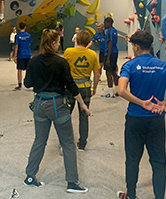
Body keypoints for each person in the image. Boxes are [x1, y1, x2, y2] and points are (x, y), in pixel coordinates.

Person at [116, 30, 166, 199]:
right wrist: (163, 103)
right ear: (151, 46)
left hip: (135, 119)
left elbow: (121, 90)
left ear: (135, 47)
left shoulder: (129, 65)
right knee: (159, 162)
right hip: (157, 120)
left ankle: (131, 196)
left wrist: (141, 103)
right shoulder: (164, 66)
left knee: (133, 160)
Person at [23, 29, 90, 194]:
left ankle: (30, 176)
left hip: (39, 104)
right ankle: (72, 182)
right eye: (58, 41)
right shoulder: (61, 63)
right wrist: (82, 104)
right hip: (57, 105)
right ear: (53, 43)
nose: (59, 44)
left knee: (39, 140)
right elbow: (71, 86)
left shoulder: (33, 61)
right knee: (68, 143)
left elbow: (27, 83)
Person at [63, 29, 101, 151]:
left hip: (70, 87)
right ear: (89, 41)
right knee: (84, 116)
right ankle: (82, 143)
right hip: (85, 87)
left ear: (77, 39)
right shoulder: (92, 54)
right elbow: (96, 73)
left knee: (66, 115)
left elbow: (63, 69)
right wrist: (94, 88)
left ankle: (66, 140)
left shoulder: (69, 52)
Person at [102, 17, 128, 97]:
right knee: (114, 72)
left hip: (109, 53)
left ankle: (111, 93)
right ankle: (117, 91)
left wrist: (108, 58)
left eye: (105, 23)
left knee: (108, 73)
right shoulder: (114, 31)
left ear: (109, 23)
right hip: (115, 52)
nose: (104, 25)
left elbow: (109, 44)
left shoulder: (109, 31)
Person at [13, 22, 32, 91]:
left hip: (20, 55)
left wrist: (15, 56)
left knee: (19, 70)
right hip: (27, 54)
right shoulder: (28, 35)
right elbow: (29, 44)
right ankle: (29, 83)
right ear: (25, 27)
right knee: (28, 69)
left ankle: (19, 84)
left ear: (19, 27)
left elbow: (16, 46)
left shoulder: (17, 36)